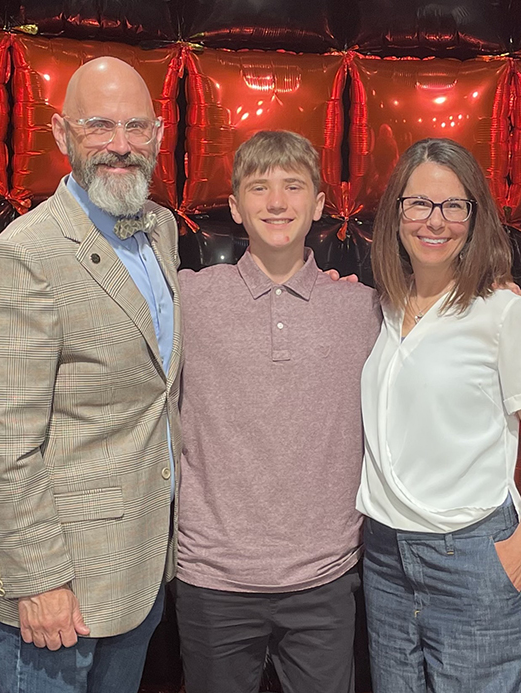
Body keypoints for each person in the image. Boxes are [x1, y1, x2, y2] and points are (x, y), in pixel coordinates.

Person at [0, 57, 180, 693]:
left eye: (136, 126)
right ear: (61, 136)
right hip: (58, 596)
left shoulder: (159, 230)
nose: (120, 145)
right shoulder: (24, 256)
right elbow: (2, 441)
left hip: (137, 575)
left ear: (159, 135)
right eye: (99, 126)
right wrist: (39, 580)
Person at [172, 130, 382, 693]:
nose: (276, 202)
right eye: (259, 188)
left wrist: (501, 290)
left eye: (293, 186)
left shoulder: (363, 308)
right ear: (236, 207)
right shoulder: (185, 299)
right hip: (213, 576)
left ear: (317, 205)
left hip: (325, 576)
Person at [357, 138, 521, 693]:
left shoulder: (504, 311)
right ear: (396, 212)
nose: (436, 220)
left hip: (475, 555)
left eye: (454, 205)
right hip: (383, 556)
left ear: (475, 217)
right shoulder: (377, 305)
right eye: (419, 203)